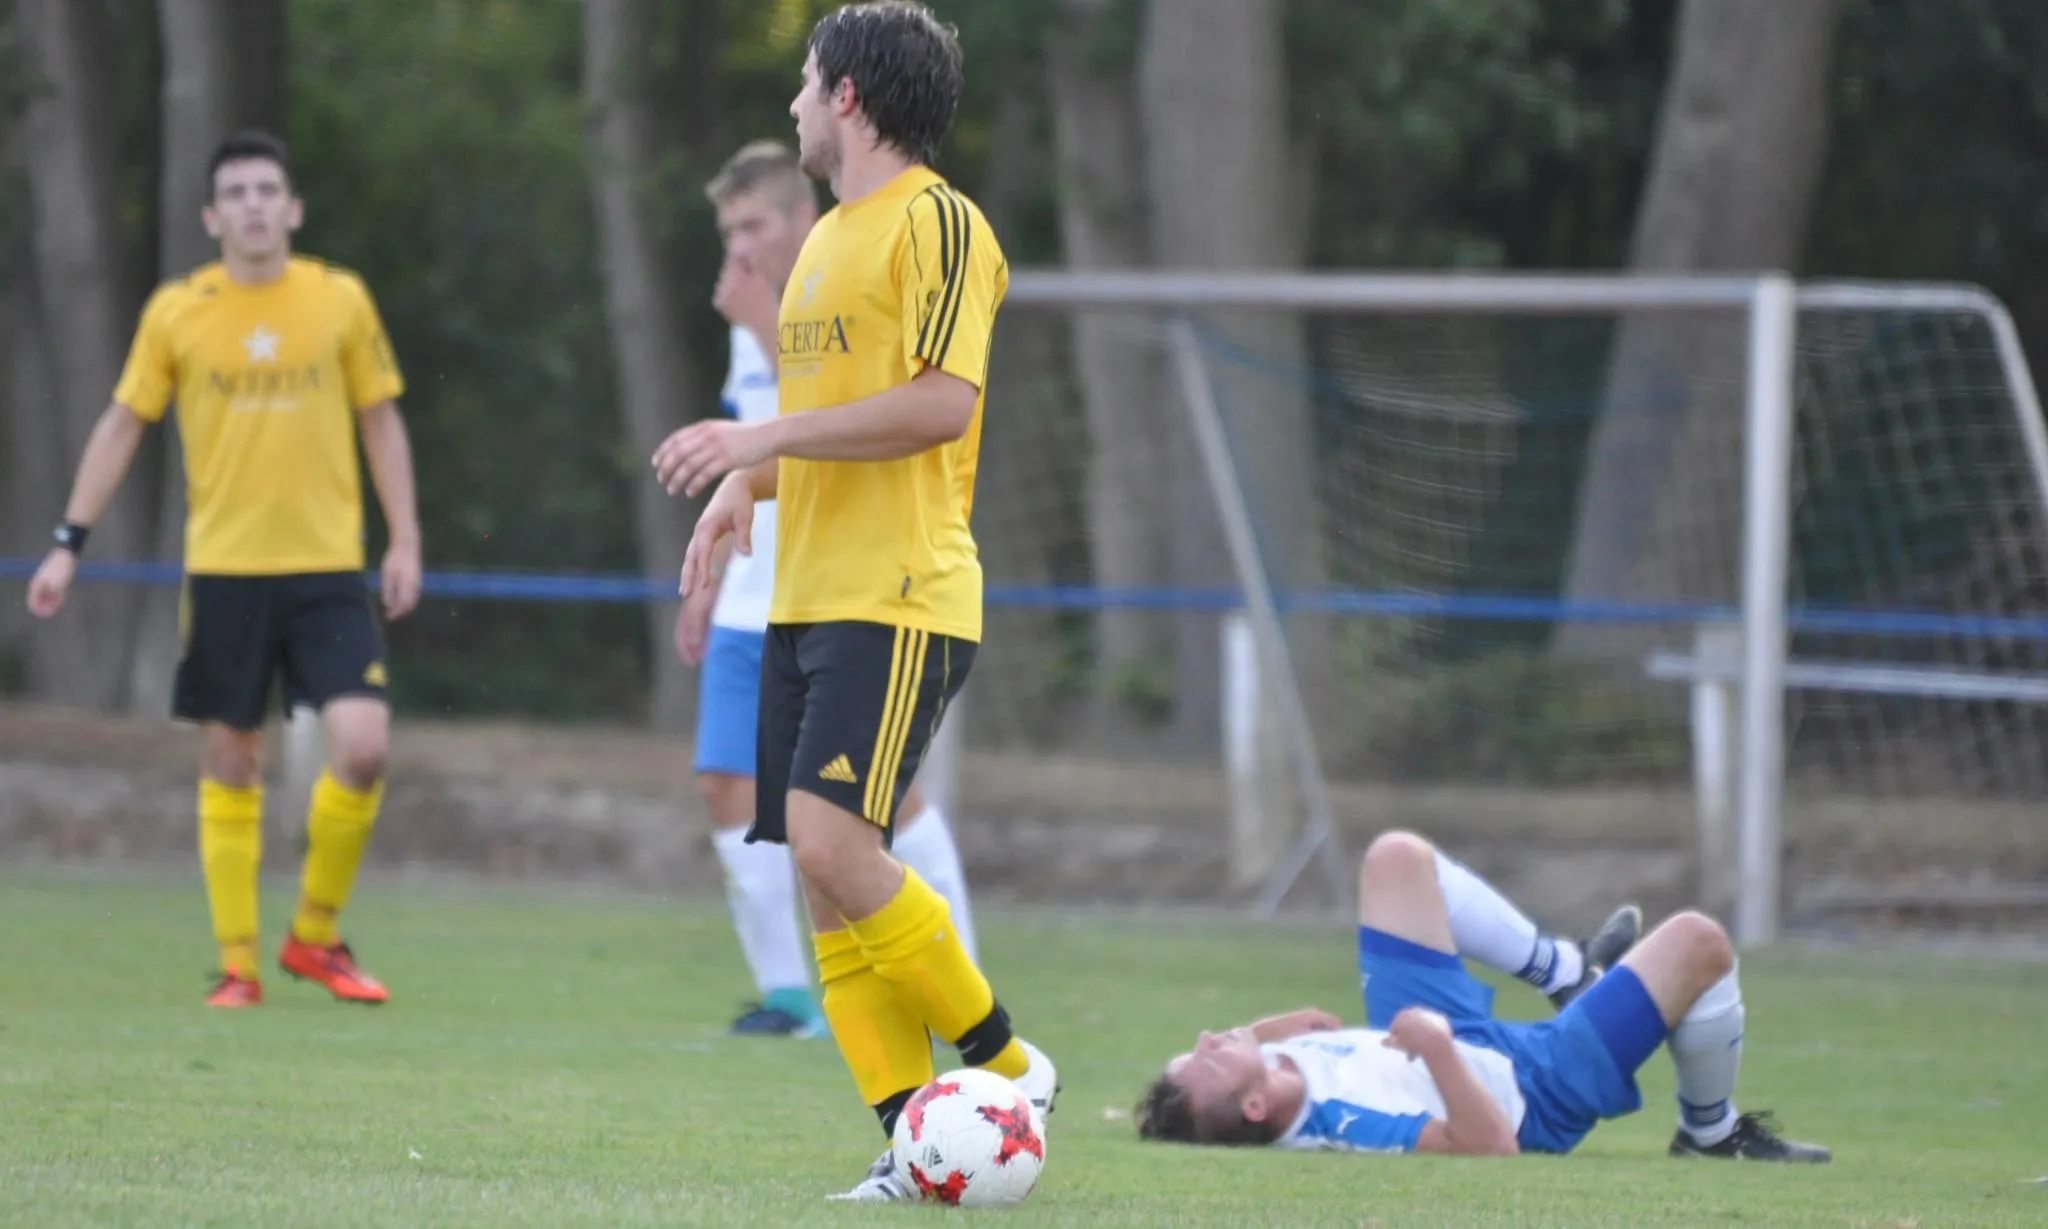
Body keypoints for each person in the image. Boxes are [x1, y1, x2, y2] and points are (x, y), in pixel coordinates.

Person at [652, 1, 1054, 1201]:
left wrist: (757, 438)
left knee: (834, 843)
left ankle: (1009, 1066)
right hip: (808, 598)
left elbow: (940, 404)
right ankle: (911, 1139)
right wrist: (745, 485)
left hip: (900, 593)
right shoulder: (825, 239)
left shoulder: (939, 222)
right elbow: (827, 431)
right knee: (820, 879)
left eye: (803, 80)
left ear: (846, 96)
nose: (790, 104)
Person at [25, 130, 421, 1010]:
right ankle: (239, 965)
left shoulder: (339, 299)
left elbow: (382, 419)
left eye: (267, 189)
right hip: (226, 570)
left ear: (294, 208)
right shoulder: (178, 311)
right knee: (232, 756)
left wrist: (405, 539)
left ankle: (313, 934)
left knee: (364, 748)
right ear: (211, 217)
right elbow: (123, 422)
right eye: (235, 193)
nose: (253, 205)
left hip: (326, 567)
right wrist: (67, 541)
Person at [677, 139, 982, 1039]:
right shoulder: (754, 315)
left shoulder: (832, 287)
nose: (739, 247)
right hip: (756, 593)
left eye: (752, 225)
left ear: (800, 218)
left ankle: (964, 997)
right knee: (728, 783)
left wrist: (762, 325)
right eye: (727, 232)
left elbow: (835, 416)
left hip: (847, 585)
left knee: (868, 806)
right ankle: (787, 995)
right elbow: (755, 448)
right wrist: (711, 570)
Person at [1134, 830, 1832, 1162]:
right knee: (1699, 941)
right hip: (1529, 1088)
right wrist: (1438, 1049)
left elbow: (1227, 1078)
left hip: (1438, 1035)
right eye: (1209, 1057)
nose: (1206, 1037)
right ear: (1257, 1108)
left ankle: (1567, 971)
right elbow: (1492, 1148)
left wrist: (1264, 1031)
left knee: (1395, 859)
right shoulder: (1342, 1124)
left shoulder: (1264, 1078)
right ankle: (1710, 1133)